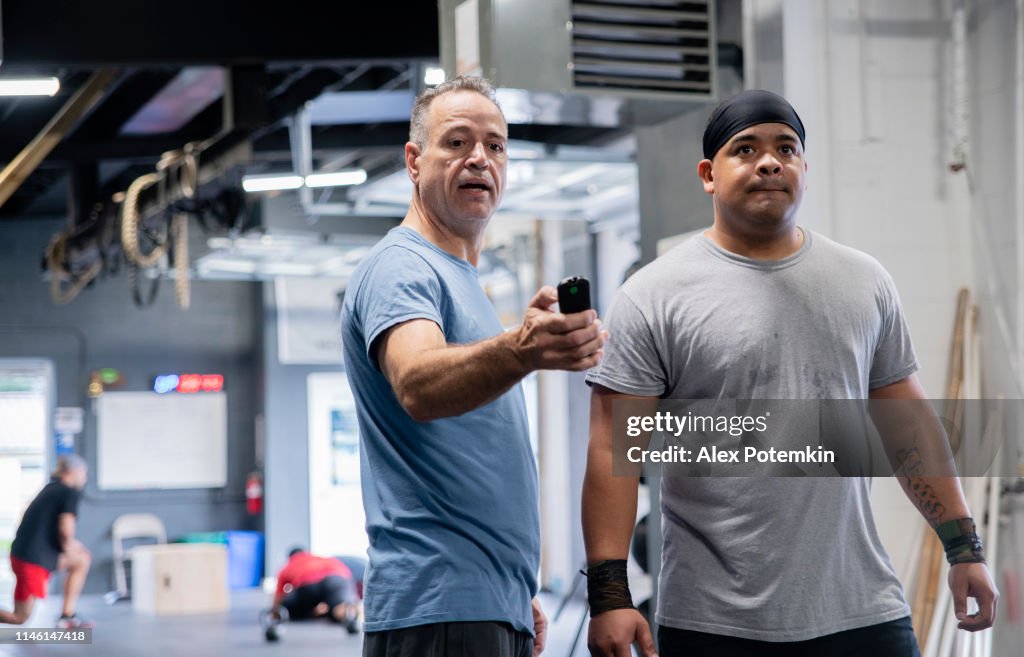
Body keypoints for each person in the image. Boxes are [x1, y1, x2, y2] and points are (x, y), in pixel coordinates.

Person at [581, 89, 999, 657]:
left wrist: (964, 547)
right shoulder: (653, 295)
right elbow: (612, 449)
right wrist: (610, 597)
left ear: (804, 168)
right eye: (745, 148)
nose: (770, 161)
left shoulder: (863, 281)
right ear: (708, 174)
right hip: (714, 623)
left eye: (786, 148)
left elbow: (909, 427)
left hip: (862, 610)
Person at [340, 75, 607, 657]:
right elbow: (417, 383)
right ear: (414, 161)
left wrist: (508, 592)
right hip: (438, 607)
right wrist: (522, 350)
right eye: (457, 143)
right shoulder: (403, 268)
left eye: (495, 145)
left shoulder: (463, 283)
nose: (479, 158)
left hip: (479, 604)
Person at [0, 454, 93, 629]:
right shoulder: (68, 492)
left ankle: (67, 615)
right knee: (19, 617)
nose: (85, 478)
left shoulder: (51, 488)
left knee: (81, 559)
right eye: (84, 473)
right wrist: (70, 547)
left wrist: (70, 547)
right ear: (73, 471)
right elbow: (66, 529)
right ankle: (66, 616)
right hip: (31, 560)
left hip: (25, 555)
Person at [270, 547, 360, 632]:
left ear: (290, 557)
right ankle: (348, 616)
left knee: (288, 605)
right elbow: (348, 577)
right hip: (336, 578)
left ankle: (310, 612)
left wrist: (275, 613)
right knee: (341, 605)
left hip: (308, 584)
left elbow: (278, 597)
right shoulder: (321, 558)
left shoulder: (288, 565)